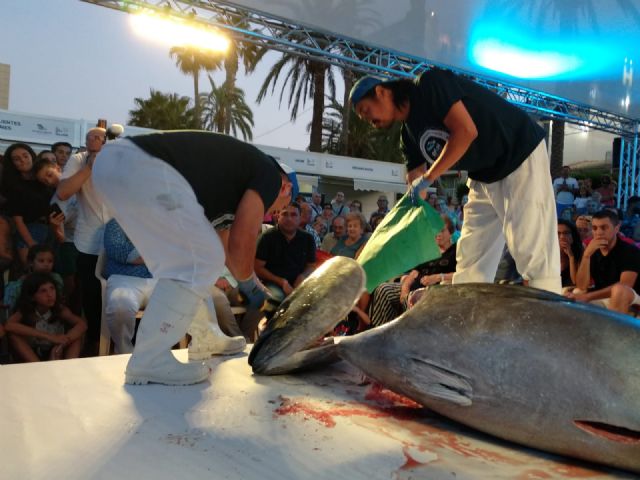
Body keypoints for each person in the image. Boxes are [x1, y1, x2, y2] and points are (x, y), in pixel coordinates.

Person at [92, 131, 292, 385]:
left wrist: (250, 284)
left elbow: (226, 250)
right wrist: (256, 292)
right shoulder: (269, 175)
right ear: (285, 187)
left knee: (192, 261)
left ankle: (205, 335)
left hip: (115, 167)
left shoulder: (229, 188)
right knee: (198, 260)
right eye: (280, 207)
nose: (274, 214)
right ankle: (148, 358)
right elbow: (242, 244)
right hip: (141, 165)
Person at [350, 69, 561, 293]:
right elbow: (414, 184)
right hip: (483, 174)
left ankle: (551, 310)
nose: (368, 120)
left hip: (518, 153)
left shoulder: (429, 85)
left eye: (366, 110)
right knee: (471, 255)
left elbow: (466, 131)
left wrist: (429, 177)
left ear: (382, 92)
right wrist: (389, 236)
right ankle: (468, 313)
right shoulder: (407, 135)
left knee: (531, 244)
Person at [56, 127, 110, 356]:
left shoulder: (119, 156)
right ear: (86, 141)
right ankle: (94, 340)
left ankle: (119, 341)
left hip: (121, 239)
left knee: (121, 292)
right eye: (91, 136)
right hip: (88, 239)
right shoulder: (78, 159)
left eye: (100, 137)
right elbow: (63, 192)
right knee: (91, 293)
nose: (95, 139)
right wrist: (91, 165)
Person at [369, 215, 457, 327]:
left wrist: (438, 277)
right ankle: (379, 330)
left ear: (451, 232)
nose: (438, 234)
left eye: (442, 230)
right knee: (383, 289)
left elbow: (460, 273)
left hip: (433, 291)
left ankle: (403, 335)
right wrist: (405, 288)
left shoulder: (456, 251)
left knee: (411, 299)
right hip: (413, 286)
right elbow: (414, 272)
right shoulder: (429, 250)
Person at [567, 209, 640, 314]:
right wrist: (586, 256)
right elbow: (582, 285)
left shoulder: (630, 251)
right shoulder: (591, 250)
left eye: (604, 227)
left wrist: (587, 296)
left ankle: (614, 330)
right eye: (595, 228)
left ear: (617, 228)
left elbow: (625, 285)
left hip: (631, 298)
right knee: (576, 292)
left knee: (619, 290)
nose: (599, 232)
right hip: (603, 297)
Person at [5, 272, 86, 362]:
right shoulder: (26, 310)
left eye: (52, 289)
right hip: (33, 352)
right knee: (13, 335)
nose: (50, 294)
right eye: (43, 291)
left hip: (55, 349)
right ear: (32, 297)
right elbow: (9, 325)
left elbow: (82, 324)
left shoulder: (60, 309)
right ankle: (40, 366)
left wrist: (63, 341)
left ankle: (69, 366)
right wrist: (49, 337)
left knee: (76, 337)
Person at [1, 143, 55, 266]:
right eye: (17, 159)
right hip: (30, 231)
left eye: (25, 156)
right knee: (32, 275)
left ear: (32, 156)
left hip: (52, 230)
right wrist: (31, 243)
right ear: (12, 163)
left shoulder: (44, 178)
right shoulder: (14, 186)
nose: (22, 160)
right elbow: (18, 220)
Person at [255, 202, 316, 301]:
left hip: (299, 283)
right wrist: (281, 282)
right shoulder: (267, 237)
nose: (289, 218)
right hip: (272, 283)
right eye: (285, 214)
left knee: (316, 299)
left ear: (300, 218)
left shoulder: (308, 238)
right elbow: (257, 268)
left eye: (293, 215)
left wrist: (303, 276)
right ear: (278, 216)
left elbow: (311, 266)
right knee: (276, 298)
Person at [4, 244, 64, 312]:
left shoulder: (56, 279)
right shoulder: (19, 285)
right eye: (41, 261)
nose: (46, 264)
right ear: (31, 262)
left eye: (50, 261)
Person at [557, 220, 583, 288]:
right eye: (558, 233)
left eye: (566, 233)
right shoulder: (546, 255)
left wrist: (571, 257)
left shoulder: (580, 253)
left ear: (573, 236)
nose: (562, 237)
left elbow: (575, 282)